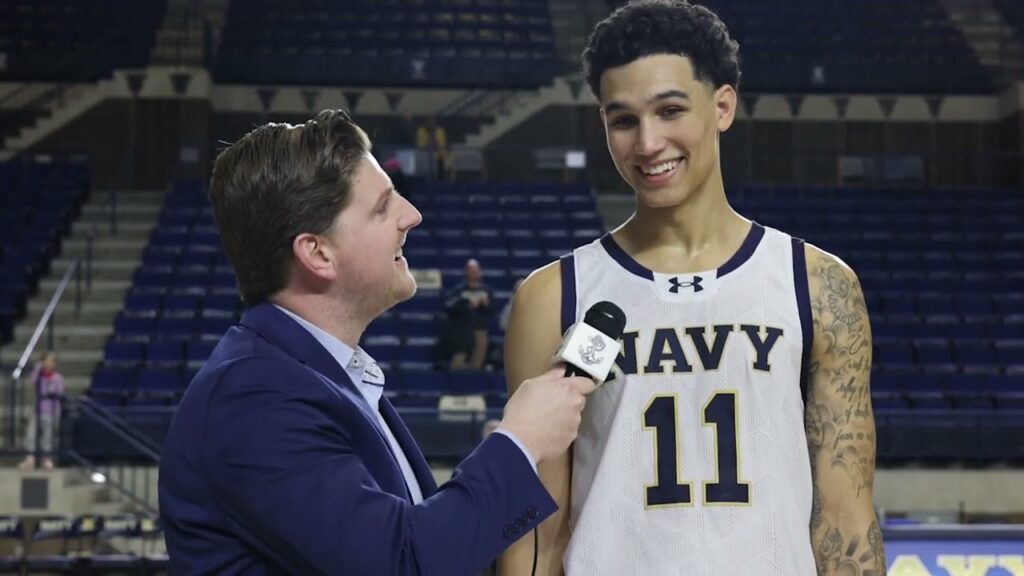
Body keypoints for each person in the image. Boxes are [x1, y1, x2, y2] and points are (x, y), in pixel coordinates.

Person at [499, 1, 885, 575]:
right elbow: (538, 530)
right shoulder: (555, 295)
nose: (648, 143)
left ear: (723, 106)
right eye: (623, 120)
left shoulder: (817, 286)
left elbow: (844, 520)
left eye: (670, 110)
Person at [158, 109, 597, 575]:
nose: (412, 215)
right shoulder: (250, 396)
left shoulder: (314, 377)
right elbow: (402, 564)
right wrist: (522, 441)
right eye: (383, 206)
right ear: (318, 253)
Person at [439, 259, 494, 370]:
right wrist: (467, 305)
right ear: (466, 271)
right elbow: (449, 308)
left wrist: (486, 305)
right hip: (462, 329)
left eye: (476, 270)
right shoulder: (459, 290)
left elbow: (492, 312)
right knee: (459, 358)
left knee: (478, 359)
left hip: (480, 328)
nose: (474, 272)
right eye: (471, 270)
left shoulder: (486, 291)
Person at [18, 351, 64, 470]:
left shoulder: (58, 378)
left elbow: (59, 392)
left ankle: (46, 459)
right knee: (31, 434)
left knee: (48, 436)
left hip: (52, 410)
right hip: (38, 409)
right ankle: (30, 458)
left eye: (51, 361)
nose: (48, 363)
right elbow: (32, 380)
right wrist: (38, 368)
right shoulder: (39, 376)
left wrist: (51, 389)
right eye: (46, 361)